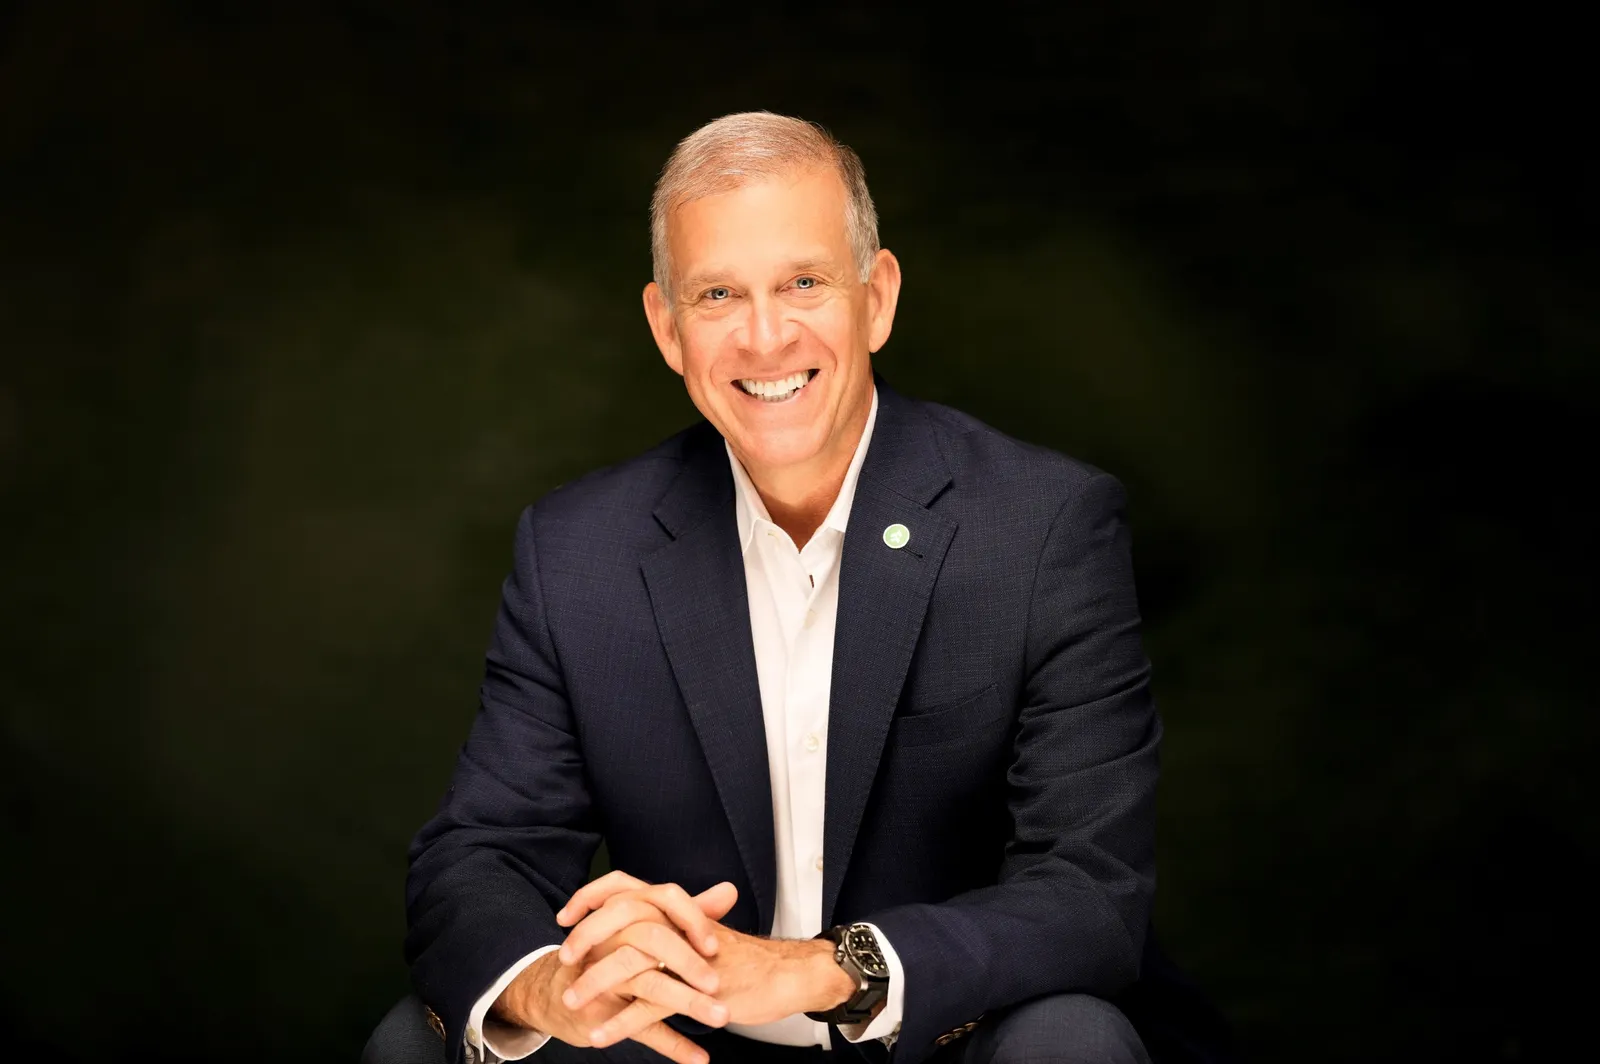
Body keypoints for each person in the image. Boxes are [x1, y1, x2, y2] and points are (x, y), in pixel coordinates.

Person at [368, 112, 1207, 1064]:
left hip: (943, 1037)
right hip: (685, 1044)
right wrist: (549, 987)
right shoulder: (577, 552)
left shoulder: (1043, 526)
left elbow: (1090, 892)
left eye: (803, 282)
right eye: (718, 294)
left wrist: (820, 967)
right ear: (667, 328)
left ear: (877, 296)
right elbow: (481, 854)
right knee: (423, 1039)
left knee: (1073, 1040)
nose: (766, 338)